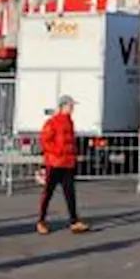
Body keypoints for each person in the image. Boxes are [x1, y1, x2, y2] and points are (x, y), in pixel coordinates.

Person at [37, 96, 89, 234]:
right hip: (55, 163)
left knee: (70, 193)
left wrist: (74, 154)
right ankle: (41, 221)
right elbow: (45, 141)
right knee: (48, 193)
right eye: (71, 105)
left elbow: (70, 142)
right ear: (63, 106)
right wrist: (58, 151)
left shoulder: (69, 122)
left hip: (68, 163)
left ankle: (74, 221)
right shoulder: (52, 122)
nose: (73, 108)